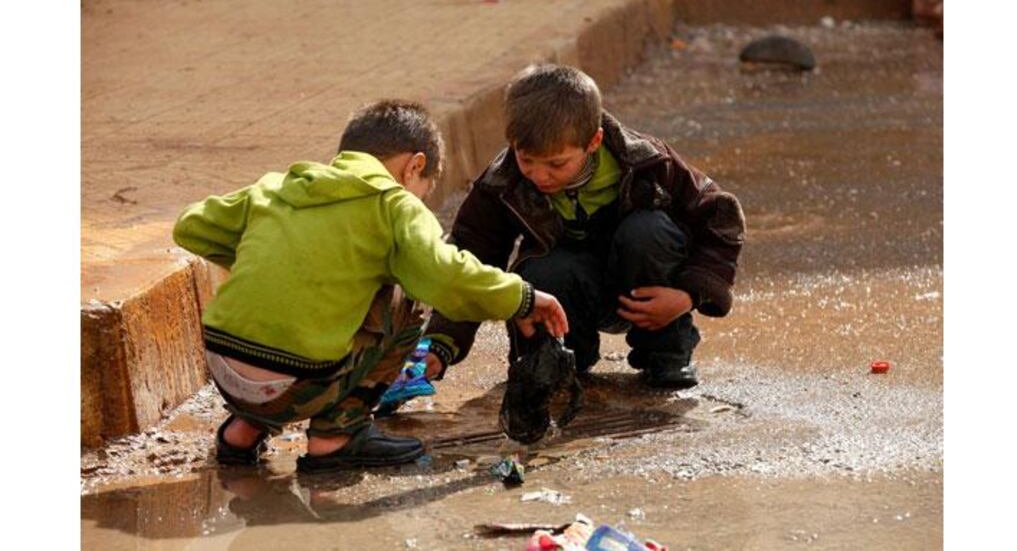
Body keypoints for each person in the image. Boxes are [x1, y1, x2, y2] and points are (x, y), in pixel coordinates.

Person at [172, 100, 568, 473]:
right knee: (407, 295)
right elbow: (445, 276)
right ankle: (336, 437)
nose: (421, 198)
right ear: (414, 166)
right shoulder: (394, 204)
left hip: (222, 367)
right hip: (296, 382)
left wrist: (276, 263)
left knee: (294, 316)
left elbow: (191, 226)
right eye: (425, 188)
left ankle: (241, 433)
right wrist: (522, 297)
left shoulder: (275, 188)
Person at [422, 64, 745, 389]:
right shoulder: (502, 184)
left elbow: (720, 216)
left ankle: (666, 356)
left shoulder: (649, 162)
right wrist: (441, 343)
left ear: (594, 141)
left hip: (648, 290)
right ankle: (558, 361)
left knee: (648, 231)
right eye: (526, 159)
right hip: (565, 297)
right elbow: (470, 258)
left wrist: (688, 296)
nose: (539, 175)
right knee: (542, 272)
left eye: (556, 163)